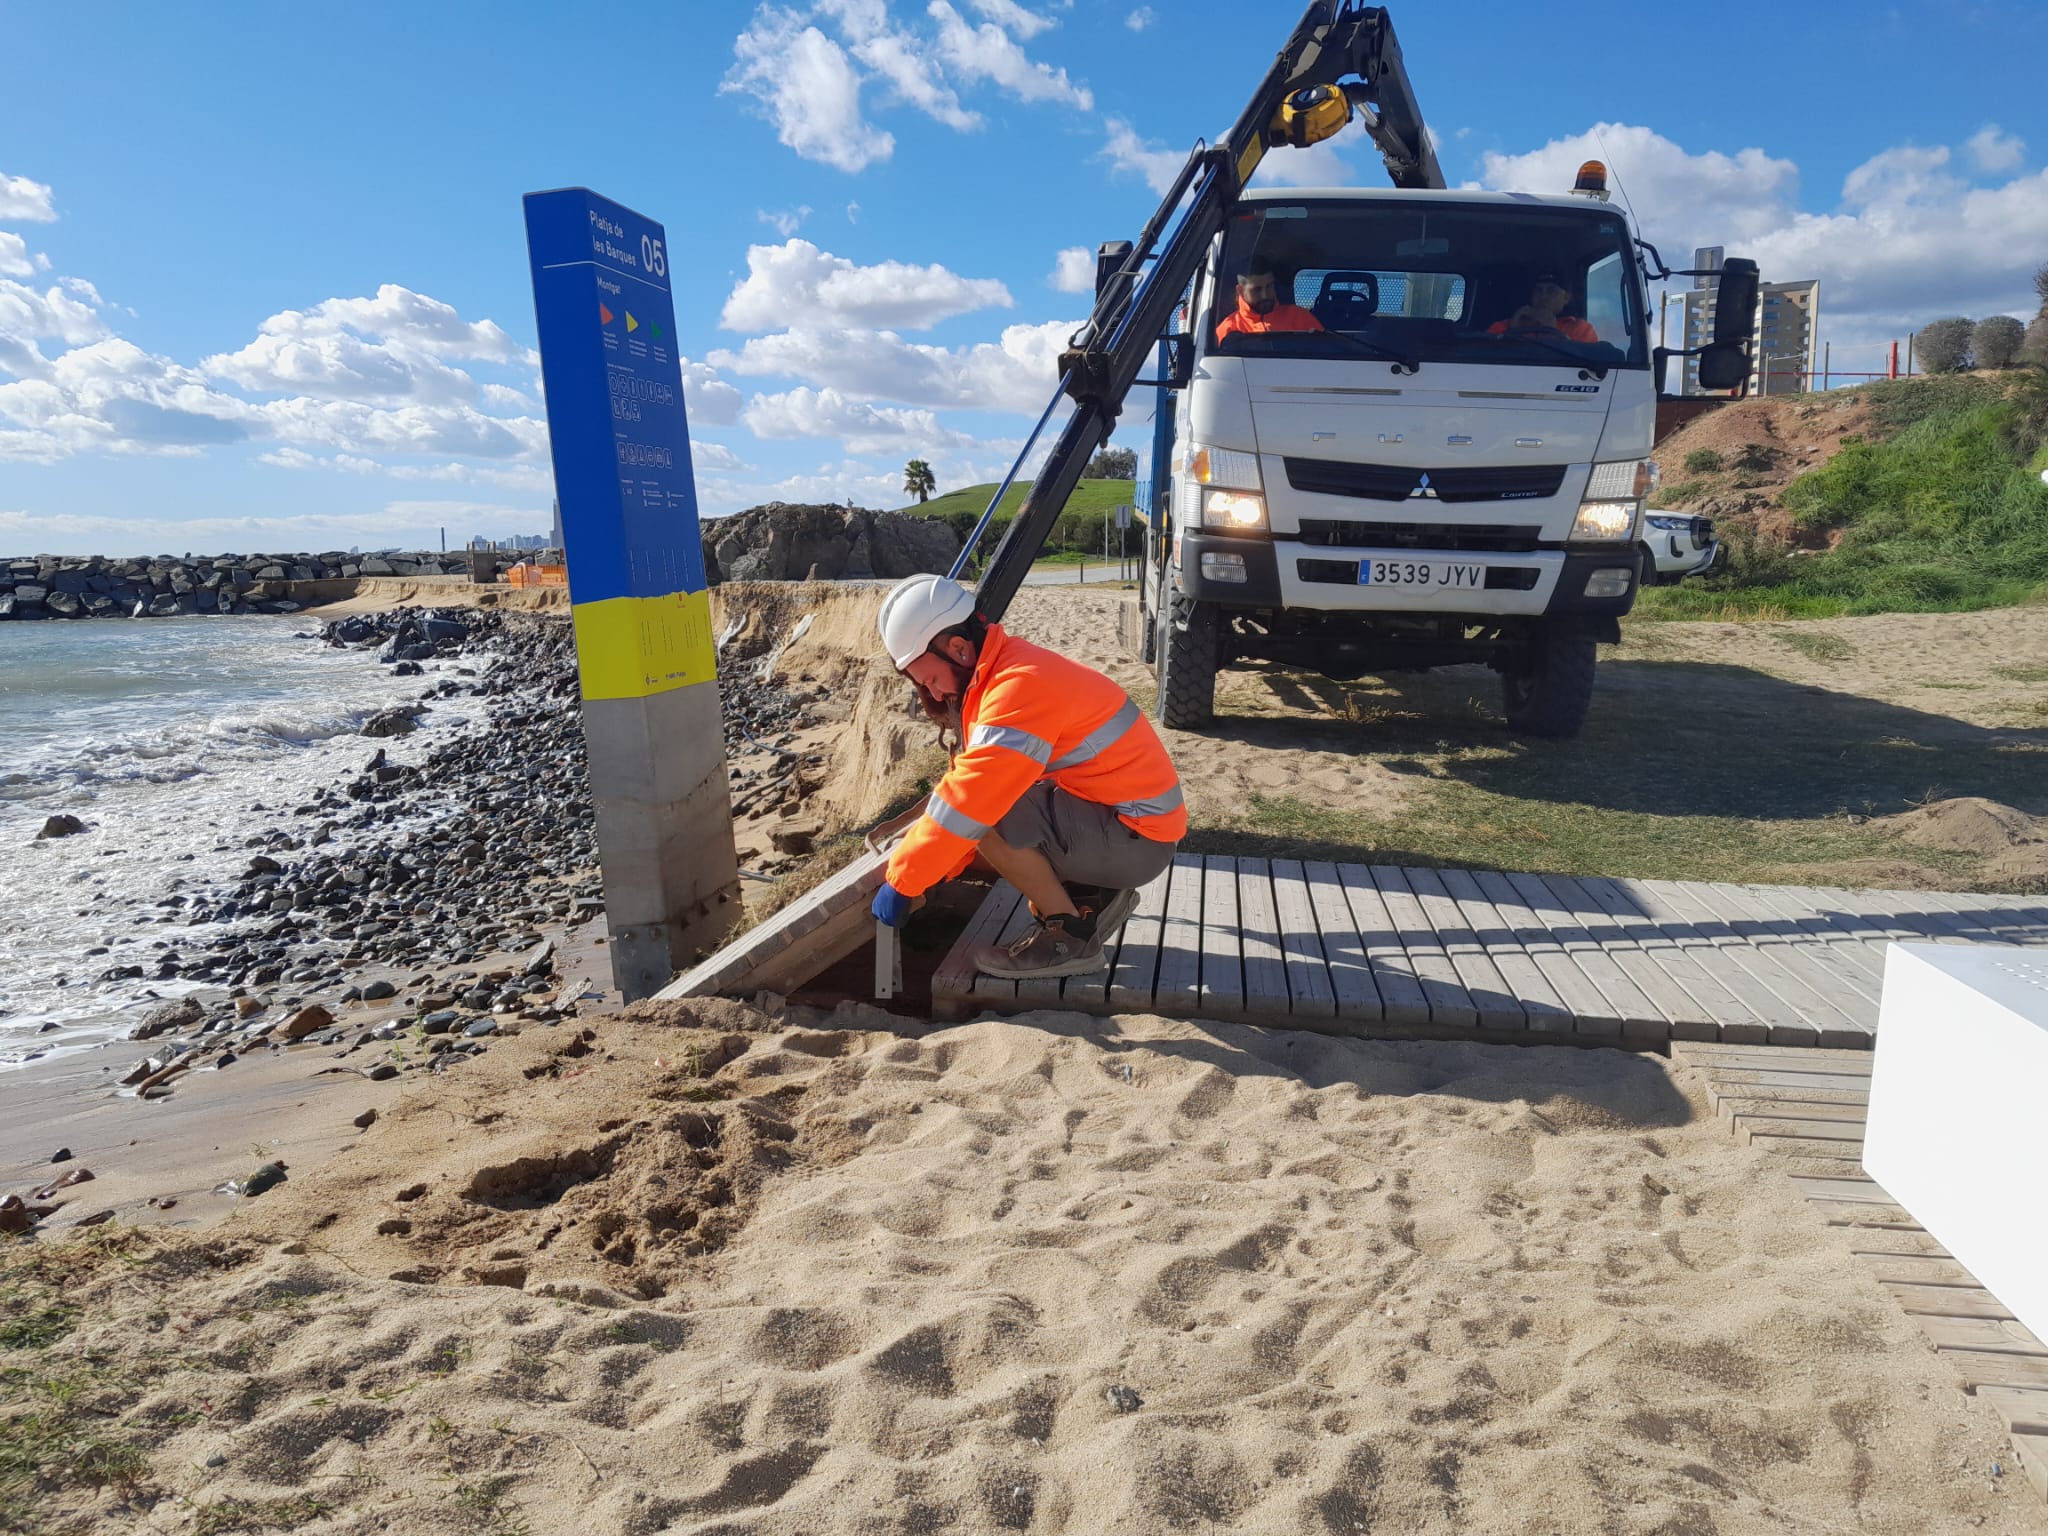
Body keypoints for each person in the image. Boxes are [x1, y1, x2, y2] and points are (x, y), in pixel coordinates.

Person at [868, 574, 1185, 979]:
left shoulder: (1016, 689)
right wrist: (941, 869)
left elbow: (970, 804)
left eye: (929, 679)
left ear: (959, 649)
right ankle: (1094, 896)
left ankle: (1067, 940)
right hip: (1133, 823)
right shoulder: (1007, 666)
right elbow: (971, 785)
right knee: (1007, 798)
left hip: (1139, 841)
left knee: (990, 819)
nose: (931, 692)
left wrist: (904, 882)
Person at [1214, 256, 1325, 343]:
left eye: (1269, 286)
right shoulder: (1229, 328)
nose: (1265, 295)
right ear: (1240, 290)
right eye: (1257, 290)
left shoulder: (1301, 318)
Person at [1488, 273, 1598, 343]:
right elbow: (1486, 357)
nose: (1543, 296)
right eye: (1538, 290)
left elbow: (1583, 363)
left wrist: (1551, 331)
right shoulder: (1503, 326)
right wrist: (1512, 330)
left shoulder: (1580, 329)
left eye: (1551, 291)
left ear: (1566, 298)